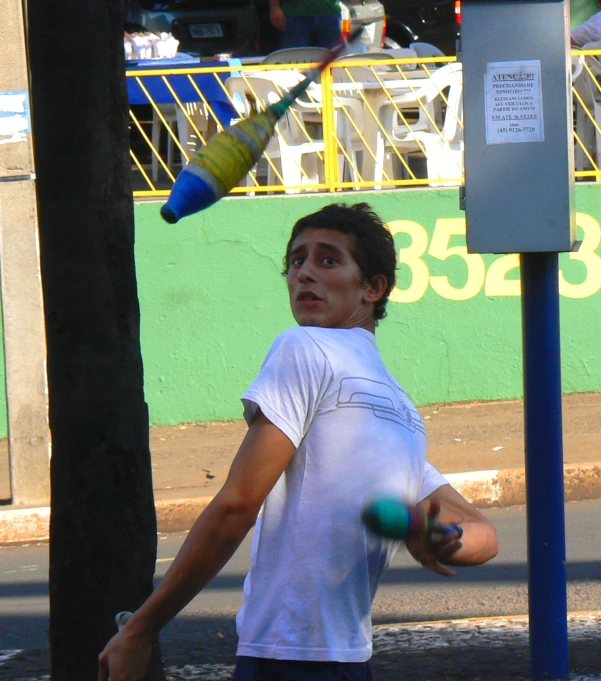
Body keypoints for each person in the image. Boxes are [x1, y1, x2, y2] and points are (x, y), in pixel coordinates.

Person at [98, 202, 499, 681]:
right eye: (296, 261)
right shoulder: (404, 413)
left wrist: (142, 628)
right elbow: (483, 535)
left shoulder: (303, 348)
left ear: (372, 288)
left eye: (328, 260)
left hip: (284, 657)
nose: (305, 272)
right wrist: (442, 539)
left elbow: (238, 505)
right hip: (350, 662)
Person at [268, 0, 341, 49]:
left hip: (330, 12)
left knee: (332, 62)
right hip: (295, 13)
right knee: (294, 60)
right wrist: (274, 7)